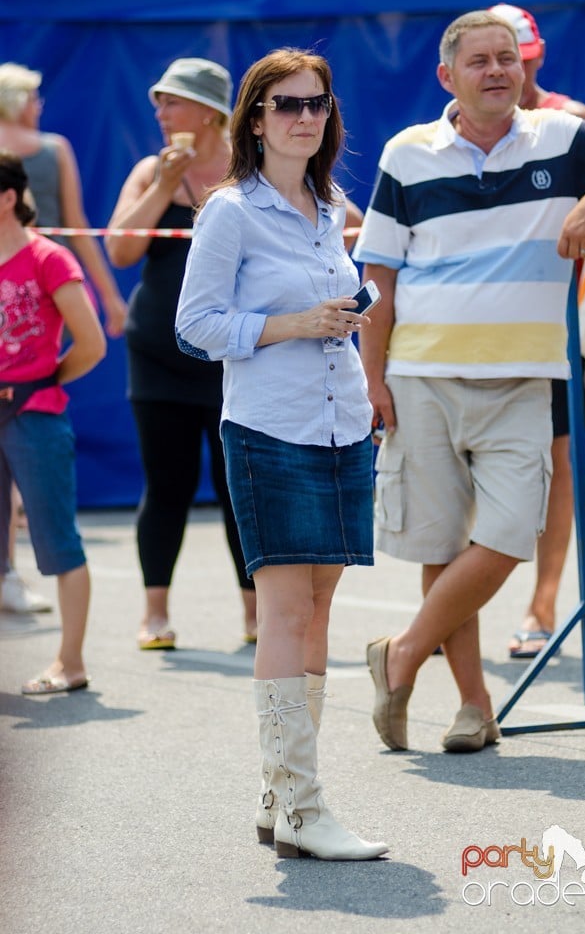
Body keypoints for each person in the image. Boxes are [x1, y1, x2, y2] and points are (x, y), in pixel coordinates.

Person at [354, 10, 585, 753]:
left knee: (510, 534)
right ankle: (474, 707)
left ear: (523, 67)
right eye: (478, 61)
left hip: (523, 379)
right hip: (420, 376)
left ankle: (403, 654)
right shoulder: (407, 153)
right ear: (447, 76)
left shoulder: (565, 138)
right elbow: (376, 272)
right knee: (443, 545)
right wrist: (371, 378)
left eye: (506, 58)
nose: (497, 71)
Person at [175, 48, 388, 861]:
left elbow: (345, 305)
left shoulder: (333, 204)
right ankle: (302, 804)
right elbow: (195, 325)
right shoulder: (231, 209)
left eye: (318, 103)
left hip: (341, 423)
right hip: (269, 426)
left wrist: (356, 351)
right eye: (287, 104)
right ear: (255, 119)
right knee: (286, 611)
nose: (306, 116)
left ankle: (279, 795)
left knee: (320, 610)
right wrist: (293, 325)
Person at [105, 58, 256, 650]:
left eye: (171, 102)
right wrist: (166, 185)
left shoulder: (250, 171)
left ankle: (254, 616)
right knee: (164, 486)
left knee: (237, 485)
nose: (162, 114)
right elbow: (119, 251)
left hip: (231, 358)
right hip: (158, 356)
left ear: (209, 111)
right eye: (158, 103)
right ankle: (155, 615)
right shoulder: (152, 169)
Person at [489, 3, 585, 658]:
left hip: (553, 321)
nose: (509, 70)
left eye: (520, 57)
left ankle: (544, 603)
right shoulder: (452, 129)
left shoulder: (570, 119)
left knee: (556, 462)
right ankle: (456, 605)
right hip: (473, 322)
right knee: (464, 462)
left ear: (536, 56)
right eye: (495, 57)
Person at [0, 62, 127, 615]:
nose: (40, 105)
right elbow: (77, 224)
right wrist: (112, 297)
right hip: (51, 289)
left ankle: (7, 572)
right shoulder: (54, 150)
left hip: (37, 285)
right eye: (34, 96)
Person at [0, 149, 106, 694]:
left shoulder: (48, 258)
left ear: (9, 198)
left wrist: (41, 383)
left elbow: (91, 343)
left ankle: (71, 661)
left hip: (33, 414)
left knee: (59, 542)